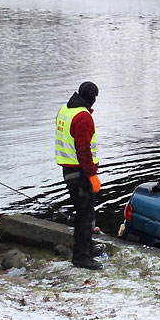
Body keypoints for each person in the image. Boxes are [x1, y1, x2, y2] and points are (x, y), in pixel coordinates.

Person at [55, 81, 105, 270]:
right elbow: (83, 150)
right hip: (80, 172)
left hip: (68, 170)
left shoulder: (65, 111)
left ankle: (86, 246)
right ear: (91, 97)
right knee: (85, 215)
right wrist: (92, 175)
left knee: (82, 212)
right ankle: (81, 257)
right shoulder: (83, 117)